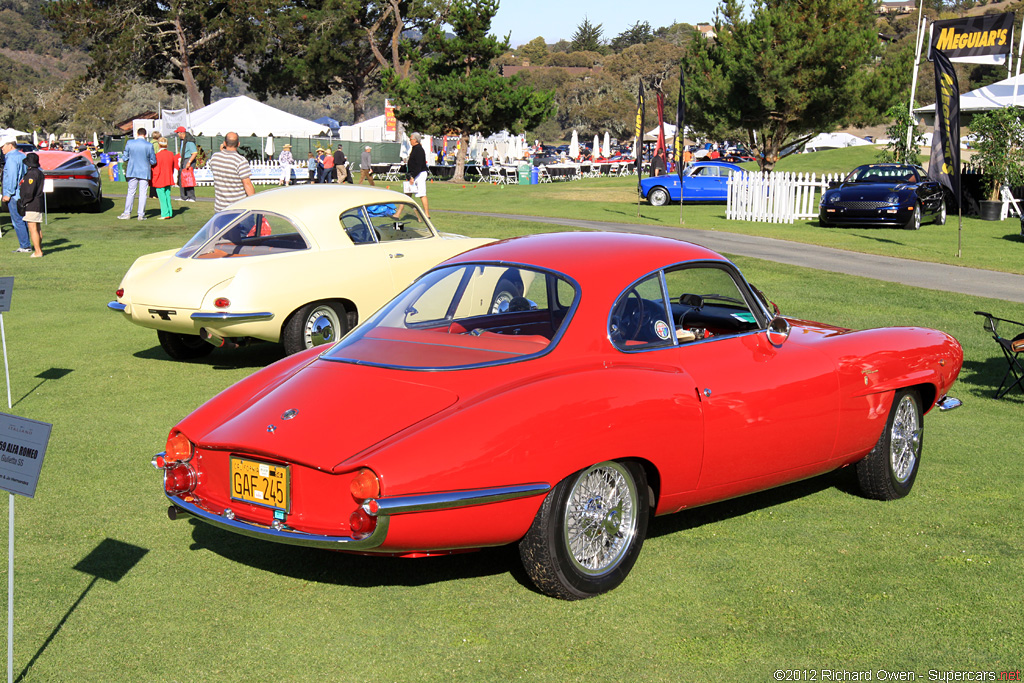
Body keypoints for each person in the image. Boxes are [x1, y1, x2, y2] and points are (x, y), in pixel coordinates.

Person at [207, 132, 255, 212]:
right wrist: (255, 203)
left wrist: (222, 151)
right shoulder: (240, 161)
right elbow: (247, 184)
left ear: (224, 143)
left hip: (220, 208)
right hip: (238, 208)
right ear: (238, 144)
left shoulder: (215, 157)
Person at [118, 127, 156, 220]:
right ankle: (140, 214)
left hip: (132, 170)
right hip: (144, 171)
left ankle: (127, 213)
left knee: (131, 192)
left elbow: (125, 158)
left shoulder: (130, 143)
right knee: (143, 193)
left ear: (137, 134)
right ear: (145, 135)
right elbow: (153, 160)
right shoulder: (149, 145)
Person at [1, 136, 31, 253]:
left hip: (14, 194)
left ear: (10, 145)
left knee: (17, 220)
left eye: (3, 146)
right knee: (23, 219)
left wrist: (8, 193)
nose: (2, 149)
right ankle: (26, 244)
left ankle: (24, 245)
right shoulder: (22, 156)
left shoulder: (11, 158)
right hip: (22, 192)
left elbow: (12, 177)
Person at [17, 152, 44, 257]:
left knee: (33, 228)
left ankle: (38, 251)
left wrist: (23, 202)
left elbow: (29, 191)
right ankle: (39, 248)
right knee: (37, 228)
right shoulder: (39, 172)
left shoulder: (32, 174)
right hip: (38, 202)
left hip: (32, 203)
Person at [405, 132, 429, 218]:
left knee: (422, 194)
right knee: (407, 193)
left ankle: (427, 214)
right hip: (414, 174)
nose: (410, 140)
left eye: (411, 139)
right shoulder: (414, 148)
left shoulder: (419, 149)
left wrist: (413, 176)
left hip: (420, 174)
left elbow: (418, 165)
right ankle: (397, 214)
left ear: (415, 140)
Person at [152, 138, 176, 219]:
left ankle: (165, 213)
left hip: (160, 178)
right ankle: (169, 212)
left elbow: (155, 168)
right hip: (168, 177)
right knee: (167, 196)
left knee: (162, 198)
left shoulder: (157, 156)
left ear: (159, 145)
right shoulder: (171, 154)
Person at [175, 126, 198, 201]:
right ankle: (183, 196)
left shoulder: (189, 142)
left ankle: (191, 197)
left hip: (188, 160)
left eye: (178, 133)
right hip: (183, 160)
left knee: (188, 178)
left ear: (182, 133)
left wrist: (189, 162)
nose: (177, 134)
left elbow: (194, 153)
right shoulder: (183, 141)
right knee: (182, 178)